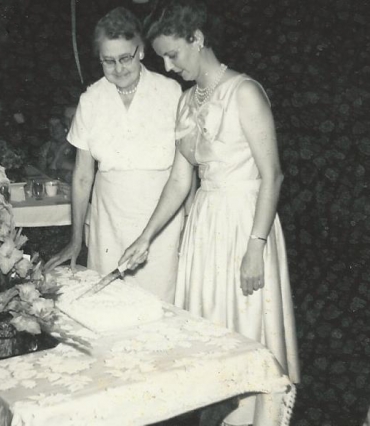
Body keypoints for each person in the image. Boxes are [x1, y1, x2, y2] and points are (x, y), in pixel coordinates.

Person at [120, 0, 300, 423]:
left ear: (197, 40)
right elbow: (181, 181)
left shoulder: (245, 92)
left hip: (245, 223)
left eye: (172, 53)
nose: (166, 65)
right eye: (162, 55)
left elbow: (272, 176)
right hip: (205, 228)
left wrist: (256, 247)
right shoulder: (185, 102)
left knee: (248, 326)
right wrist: (145, 237)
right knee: (209, 332)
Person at [44, 7, 184, 303]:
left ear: (142, 51)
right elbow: (82, 176)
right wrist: (75, 238)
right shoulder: (91, 100)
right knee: (110, 309)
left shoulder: (170, 92)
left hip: (162, 227)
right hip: (108, 226)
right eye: (108, 61)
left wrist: (190, 225)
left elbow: (187, 171)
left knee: (161, 313)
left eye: (125, 58)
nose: (118, 68)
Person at [37, 116, 75, 183]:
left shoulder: (74, 146)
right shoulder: (48, 145)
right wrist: (43, 157)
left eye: (57, 125)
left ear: (65, 128)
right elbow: (41, 172)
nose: (53, 129)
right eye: (50, 126)